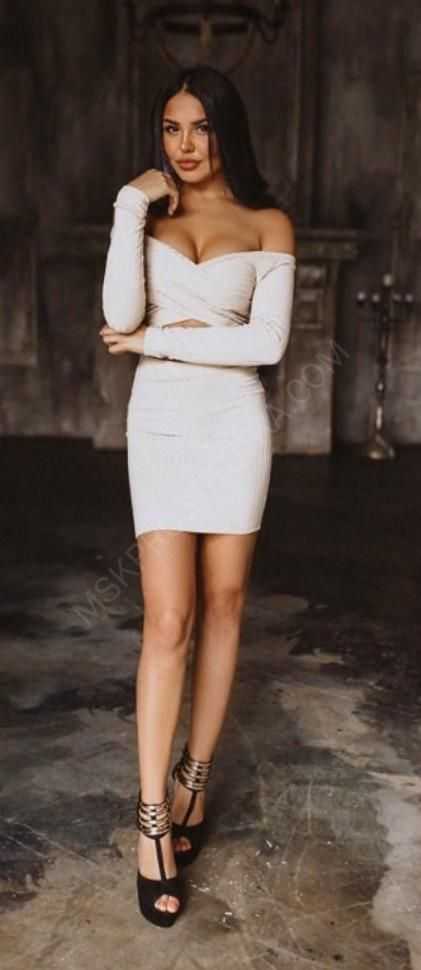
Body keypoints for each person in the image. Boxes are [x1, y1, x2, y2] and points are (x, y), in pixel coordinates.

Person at [100, 64, 295, 927]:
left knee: (224, 606)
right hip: (162, 424)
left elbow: (266, 345)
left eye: (201, 127)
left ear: (227, 132)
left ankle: (194, 780)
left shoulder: (267, 222)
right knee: (167, 620)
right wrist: (126, 204)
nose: (184, 145)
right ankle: (152, 819)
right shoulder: (147, 216)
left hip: (234, 424)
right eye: (171, 128)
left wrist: (160, 341)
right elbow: (118, 316)